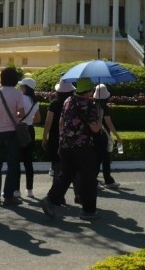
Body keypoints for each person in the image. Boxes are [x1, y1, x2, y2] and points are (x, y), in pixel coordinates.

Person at [40, 78, 102, 221]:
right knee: (88, 179)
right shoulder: (89, 105)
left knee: (66, 175)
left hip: (66, 145)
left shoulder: (68, 101)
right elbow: (96, 128)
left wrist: (62, 142)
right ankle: (88, 210)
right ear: (88, 91)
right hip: (83, 147)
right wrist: (98, 114)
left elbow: (61, 123)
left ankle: (50, 199)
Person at [0, 67, 24, 206]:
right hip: (12, 132)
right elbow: (21, 113)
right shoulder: (17, 93)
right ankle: (8, 196)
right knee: (12, 165)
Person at [41, 79, 75, 179]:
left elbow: (48, 122)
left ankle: (58, 184)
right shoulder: (72, 103)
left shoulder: (54, 103)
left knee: (56, 161)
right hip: (70, 134)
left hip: (55, 134)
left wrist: (44, 137)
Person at [94, 83, 123, 189]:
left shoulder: (93, 105)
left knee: (101, 158)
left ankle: (107, 180)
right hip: (103, 135)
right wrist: (117, 135)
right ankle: (98, 181)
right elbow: (109, 123)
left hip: (95, 134)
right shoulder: (104, 107)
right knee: (102, 158)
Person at [17, 77, 40, 198]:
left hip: (19, 129)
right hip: (30, 130)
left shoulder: (20, 99)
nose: (20, 88)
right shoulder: (35, 102)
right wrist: (29, 119)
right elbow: (38, 119)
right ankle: (29, 189)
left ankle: (16, 189)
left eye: (22, 86)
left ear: (25, 88)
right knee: (28, 162)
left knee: (16, 160)